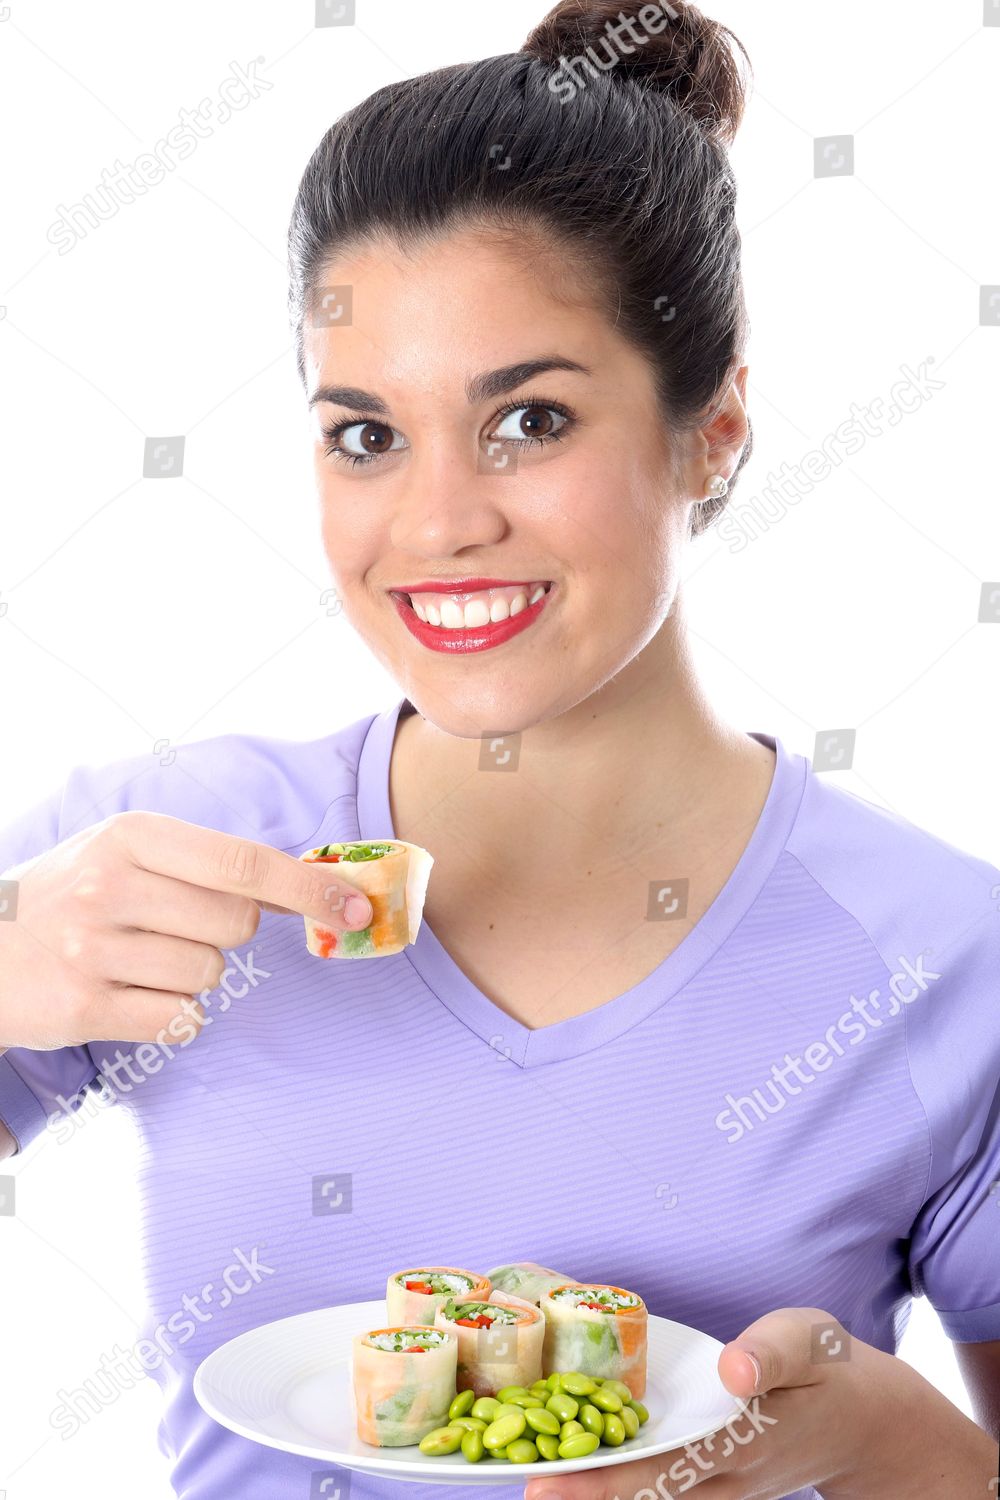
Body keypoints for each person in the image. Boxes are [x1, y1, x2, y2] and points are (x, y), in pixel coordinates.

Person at [1, 2, 997, 1496]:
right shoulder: (155, 854)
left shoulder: (945, 956)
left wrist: (907, 1449)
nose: (437, 523)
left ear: (713, 427)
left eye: (529, 418)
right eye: (365, 436)